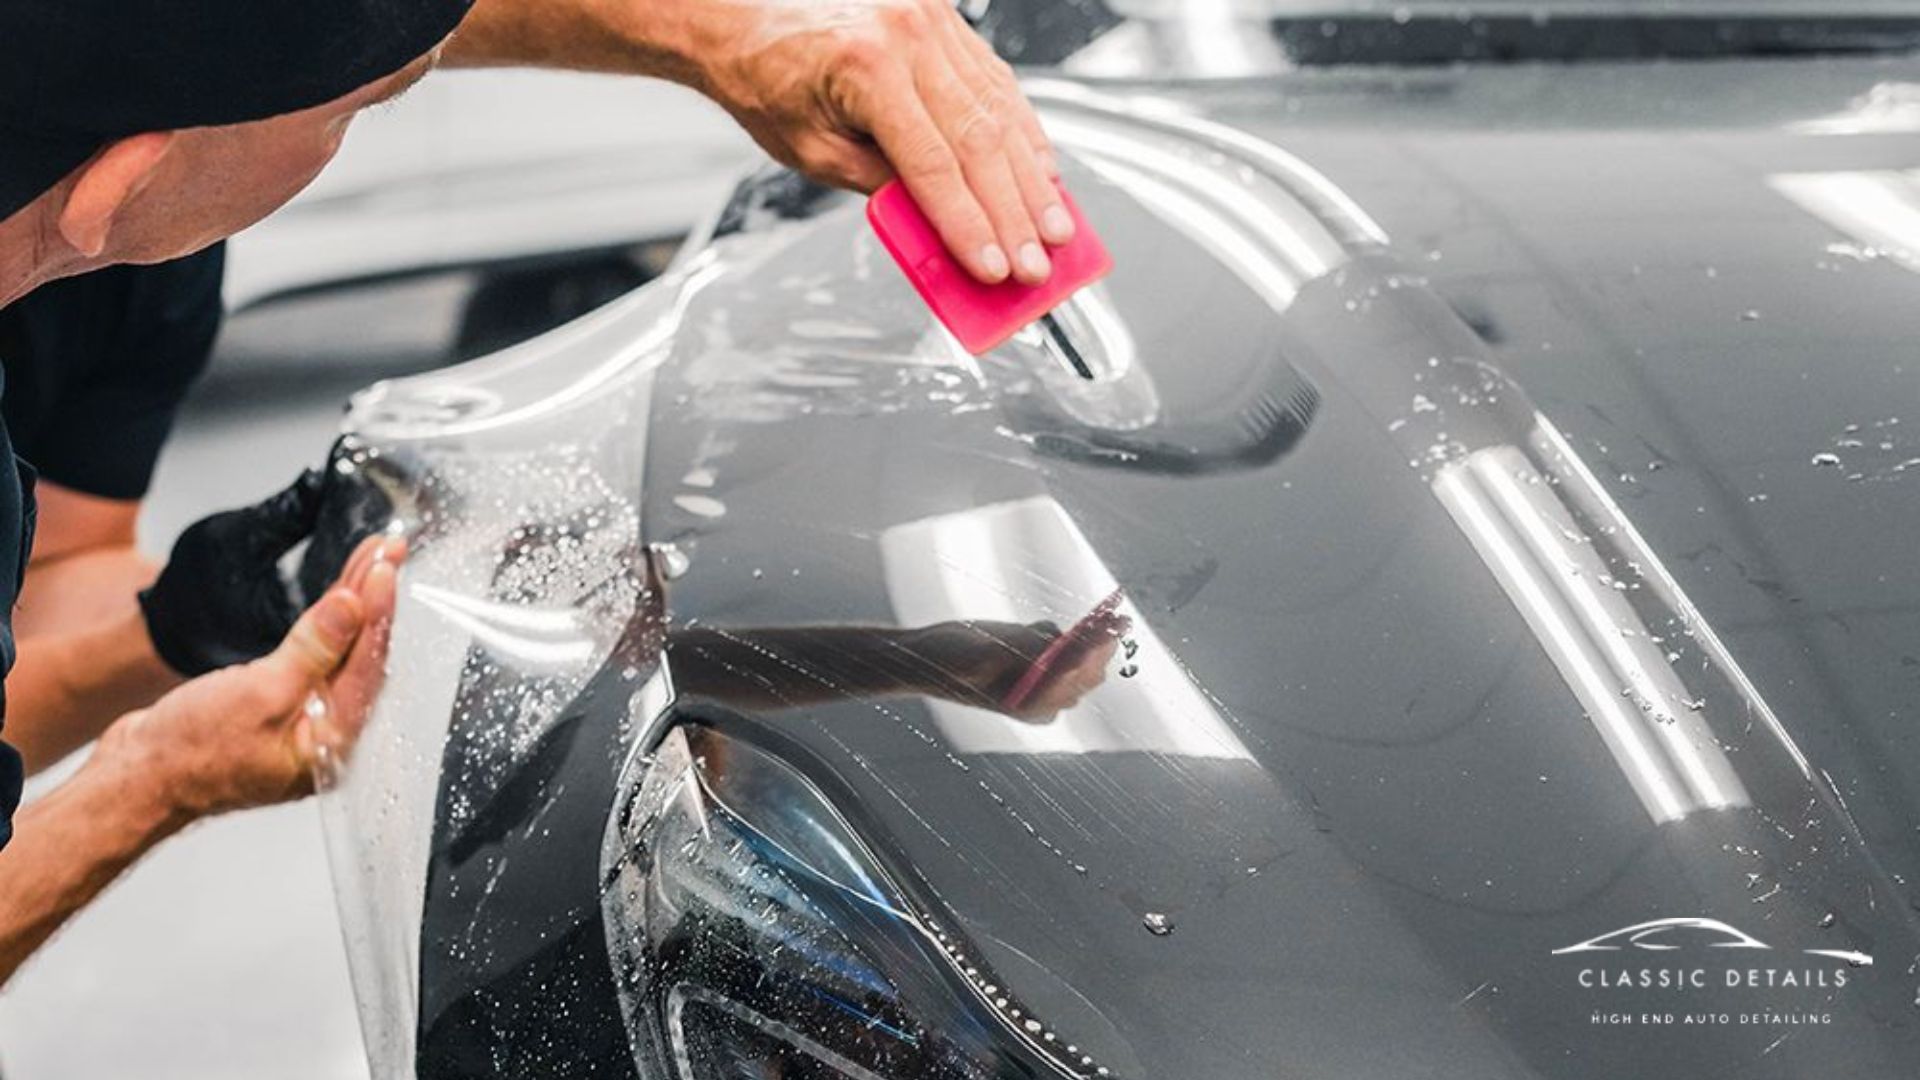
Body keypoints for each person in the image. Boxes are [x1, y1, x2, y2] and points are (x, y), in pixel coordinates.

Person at [0, 0, 1071, 986]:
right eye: (358, 114)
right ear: (120, 188)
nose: (394, 91)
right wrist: (157, 779)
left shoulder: (109, 228)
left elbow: (53, 588)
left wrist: (188, 623)